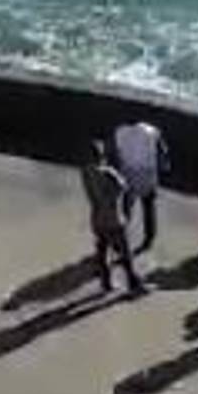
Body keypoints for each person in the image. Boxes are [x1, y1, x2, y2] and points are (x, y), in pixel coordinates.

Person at [81, 140, 145, 296]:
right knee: (125, 252)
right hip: (114, 218)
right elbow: (123, 188)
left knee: (102, 251)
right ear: (101, 155)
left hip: (97, 217)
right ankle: (133, 284)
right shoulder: (108, 172)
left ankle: (106, 283)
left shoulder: (86, 172)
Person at [112, 120, 169, 254]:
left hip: (128, 173)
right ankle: (149, 238)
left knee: (126, 209)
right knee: (148, 208)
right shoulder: (152, 130)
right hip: (148, 174)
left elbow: (114, 154)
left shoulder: (119, 131)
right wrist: (164, 165)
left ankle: (120, 240)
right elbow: (162, 151)